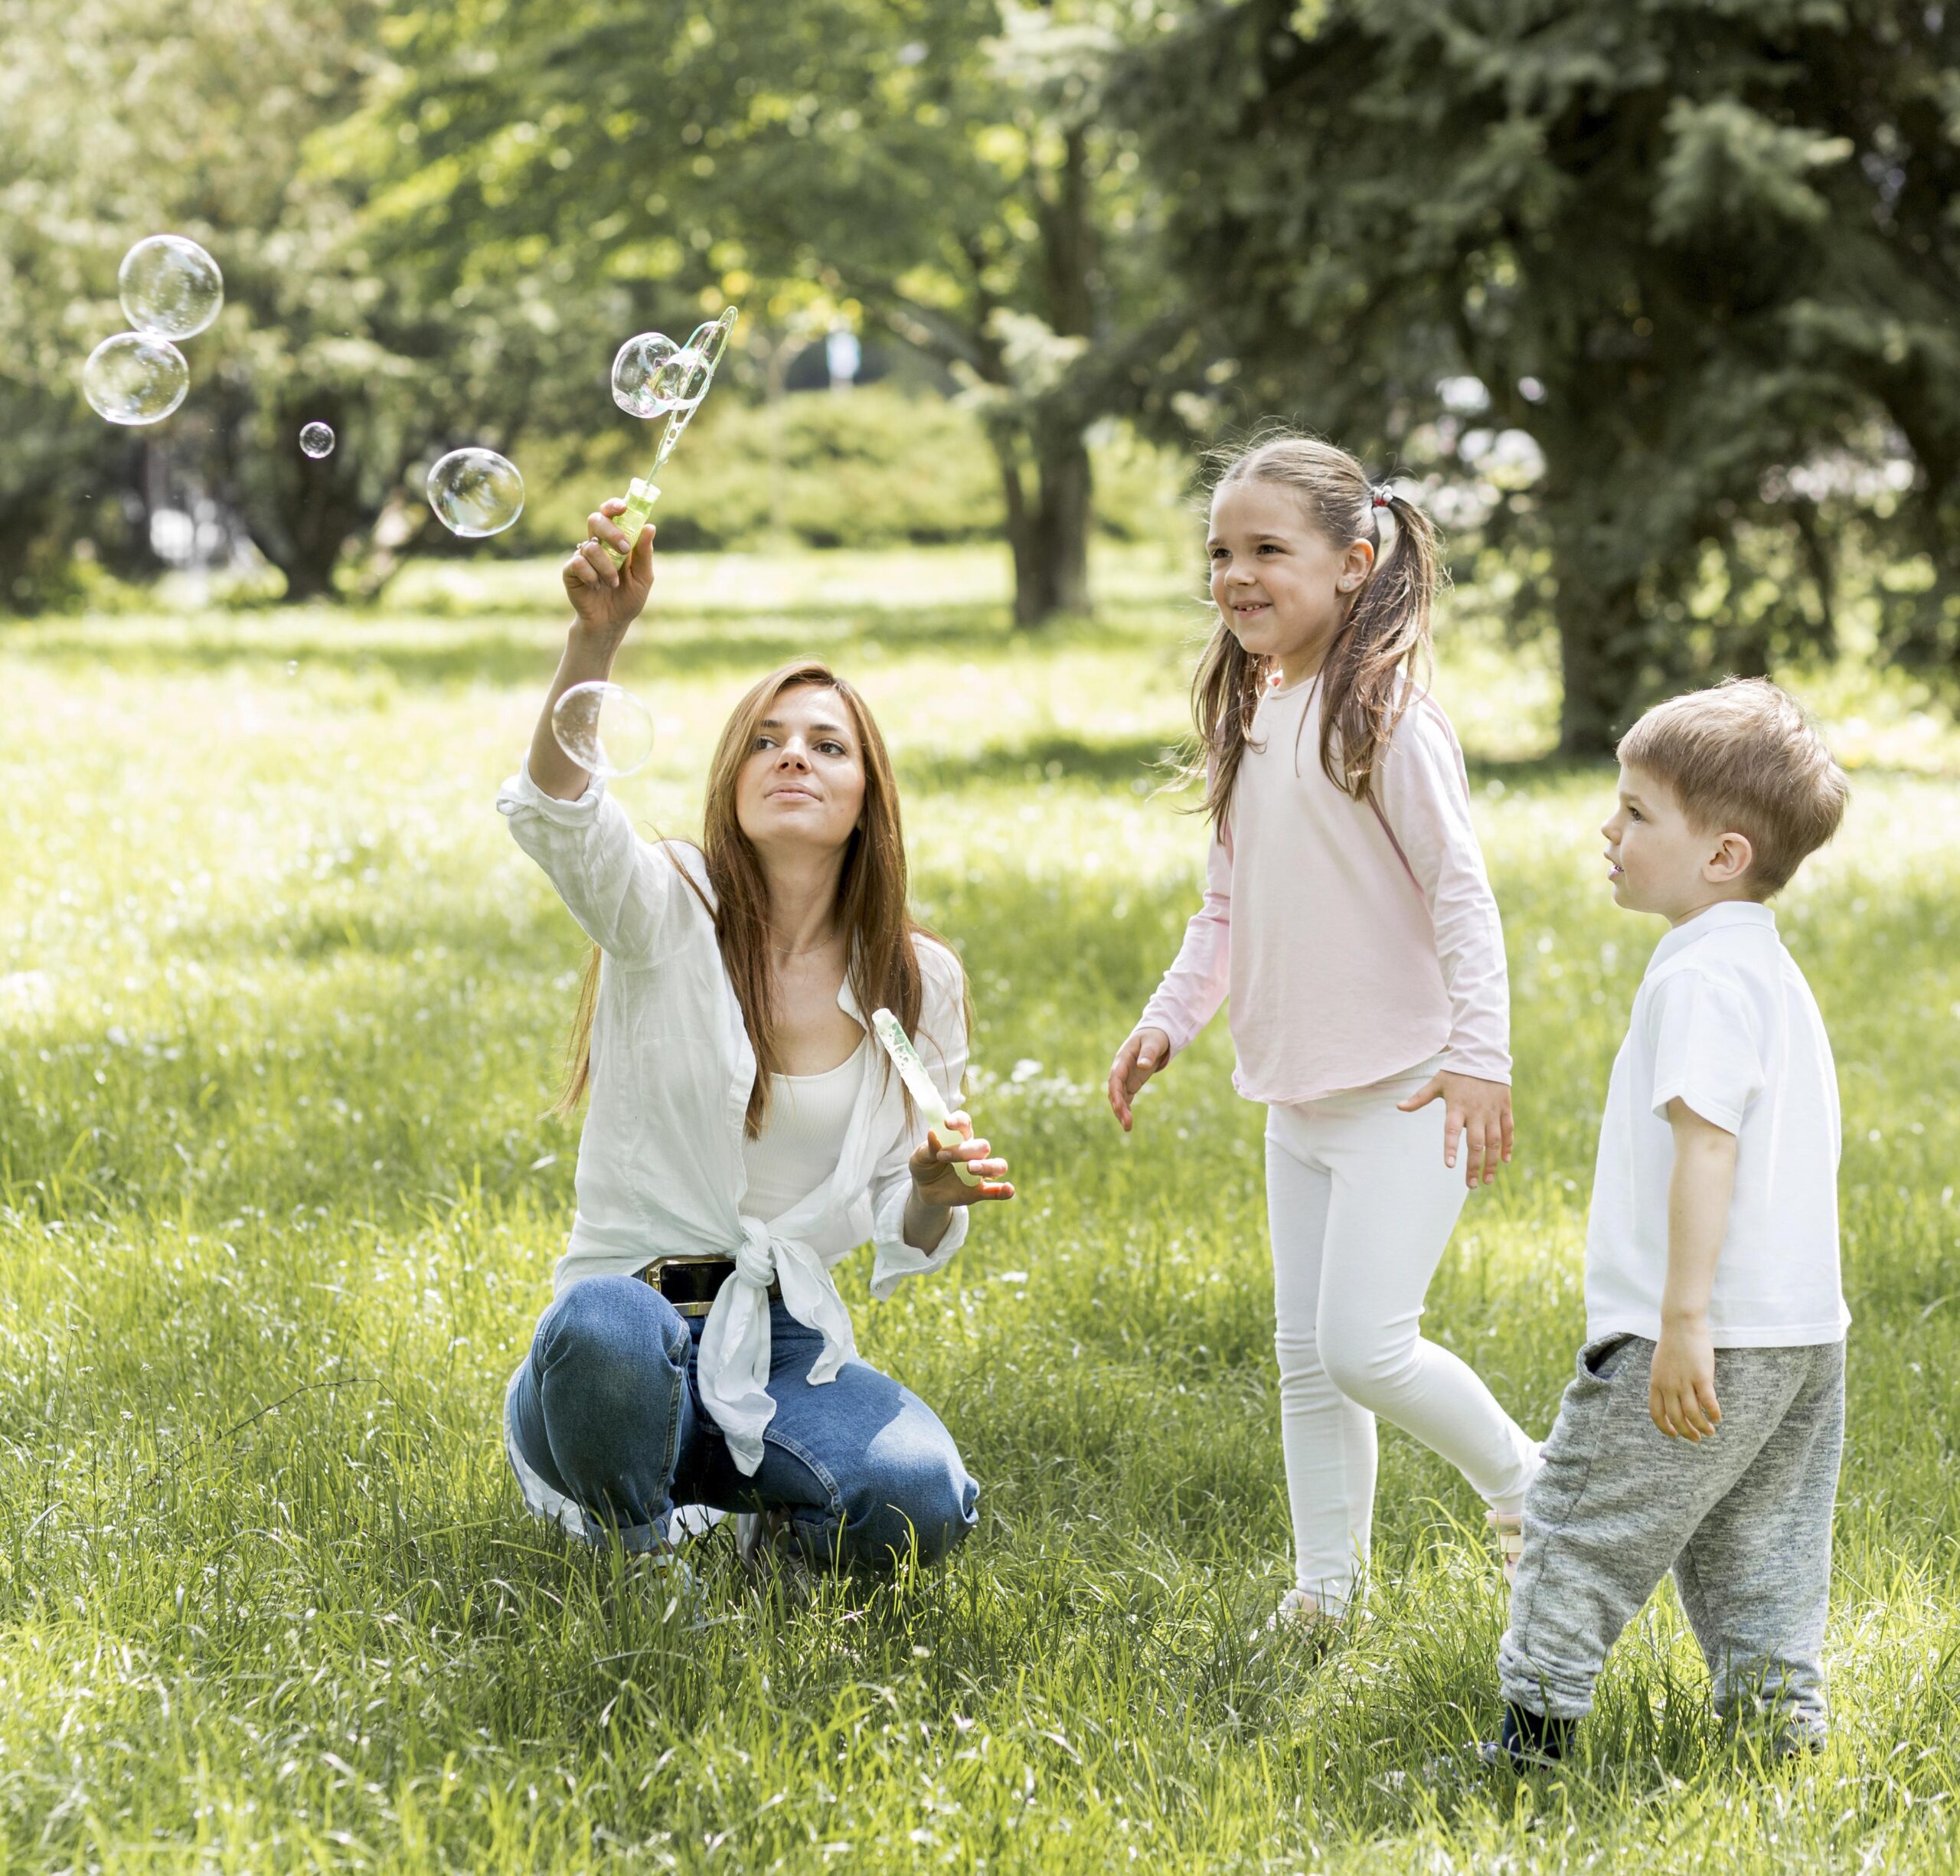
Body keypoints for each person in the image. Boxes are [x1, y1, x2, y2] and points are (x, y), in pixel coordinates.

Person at [497, 502, 1013, 1575]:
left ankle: (760, 1543)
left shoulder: (918, 985)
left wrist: (930, 1186)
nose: (796, 759)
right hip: (624, 1334)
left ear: (868, 798)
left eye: (829, 746)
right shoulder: (667, 906)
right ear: (734, 783)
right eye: (768, 744)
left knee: (922, 1501)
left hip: (782, 1344)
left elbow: (899, 1214)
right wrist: (596, 636)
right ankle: (637, 1558)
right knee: (605, 1333)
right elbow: (559, 815)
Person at [1106, 433, 1538, 1628]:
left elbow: (1462, 892)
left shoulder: (1386, 716)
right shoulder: (1257, 707)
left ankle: (1532, 1487)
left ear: (1354, 563)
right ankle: (1329, 1588)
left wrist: (1479, 1061)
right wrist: (1169, 1018)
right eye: (1220, 554)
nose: (1237, 575)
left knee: (1366, 1346)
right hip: (1295, 1097)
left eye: (1266, 551)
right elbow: (1228, 904)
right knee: (1307, 1360)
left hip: (1405, 1089)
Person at [1492, 678, 1850, 1763]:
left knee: (1575, 1532)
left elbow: (1707, 1147)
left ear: (1724, 854)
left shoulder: (1700, 978)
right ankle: (1779, 1743)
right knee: (1765, 1555)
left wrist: (1680, 1320)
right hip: (1801, 1336)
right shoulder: (1766, 969)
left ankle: (1528, 1754)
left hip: (1692, 1330)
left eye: (1638, 812)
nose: (1610, 829)